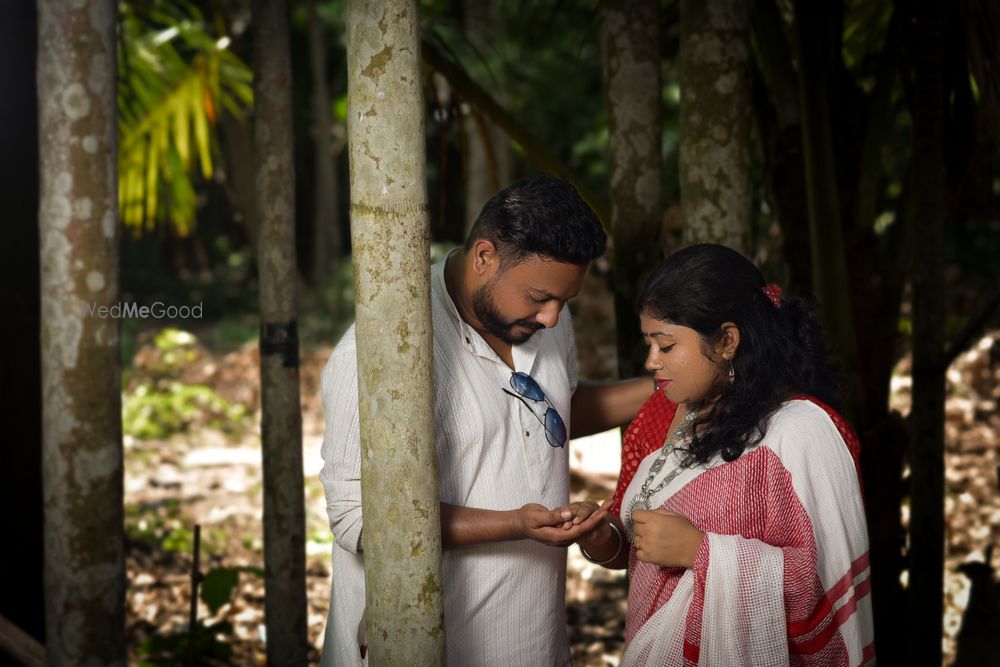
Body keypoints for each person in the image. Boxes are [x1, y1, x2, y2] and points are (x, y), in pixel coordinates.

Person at [319, 175, 654, 666]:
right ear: (484, 257)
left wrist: (667, 384)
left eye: (566, 301)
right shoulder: (384, 350)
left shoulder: (540, 315)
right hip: (431, 648)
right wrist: (514, 524)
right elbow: (356, 519)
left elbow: (550, 410)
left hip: (533, 640)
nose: (553, 319)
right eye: (540, 298)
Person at [573, 244, 874, 666]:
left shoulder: (803, 434)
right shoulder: (659, 416)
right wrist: (603, 539)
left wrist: (700, 551)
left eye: (666, 345)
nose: (650, 361)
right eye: (649, 344)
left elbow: (823, 586)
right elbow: (634, 545)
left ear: (728, 340)